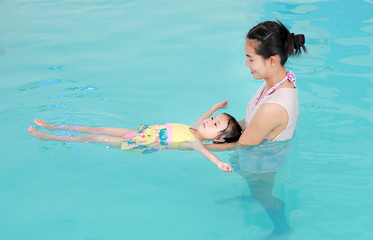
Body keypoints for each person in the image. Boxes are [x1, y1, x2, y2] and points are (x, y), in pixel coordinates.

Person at [28, 101, 242, 172]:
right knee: (99, 129)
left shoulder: (193, 141)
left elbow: (202, 151)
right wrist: (214, 107)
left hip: (139, 143)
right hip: (141, 132)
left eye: (215, 124)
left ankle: (49, 137)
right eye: (213, 118)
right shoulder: (195, 129)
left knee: (92, 139)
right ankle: (55, 127)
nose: (209, 120)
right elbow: (202, 117)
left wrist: (218, 163)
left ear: (218, 139)